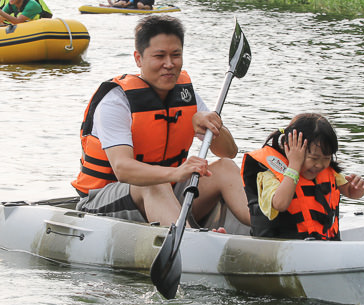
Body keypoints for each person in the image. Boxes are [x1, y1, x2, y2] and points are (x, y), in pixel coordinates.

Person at [72, 15, 251, 229]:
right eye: (160, 56)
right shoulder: (116, 101)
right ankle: (193, 241)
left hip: (165, 193)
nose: (169, 64)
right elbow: (123, 169)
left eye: (176, 55)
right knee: (156, 183)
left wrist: (214, 127)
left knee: (225, 168)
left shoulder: (186, 95)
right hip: (100, 201)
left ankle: (265, 231)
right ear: (139, 58)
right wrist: (176, 173)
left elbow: (229, 152)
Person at [241, 113, 364, 240]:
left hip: (321, 247)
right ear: (290, 149)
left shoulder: (328, 173)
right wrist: (294, 165)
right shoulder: (269, 175)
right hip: (280, 248)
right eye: (313, 158)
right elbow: (280, 204)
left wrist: (356, 190)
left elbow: (350, 192)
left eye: (326, 158)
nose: (319, 165)